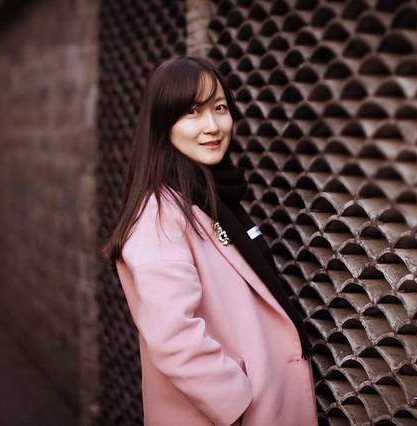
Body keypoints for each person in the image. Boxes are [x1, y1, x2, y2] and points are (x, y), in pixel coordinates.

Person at [102, 56, 318, 426]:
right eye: (192, 112)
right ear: (163, 124)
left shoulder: (211, 197)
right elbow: (173, 336)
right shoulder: (161, 214)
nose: (213, 126)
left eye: (219, 108)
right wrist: (237, 402)